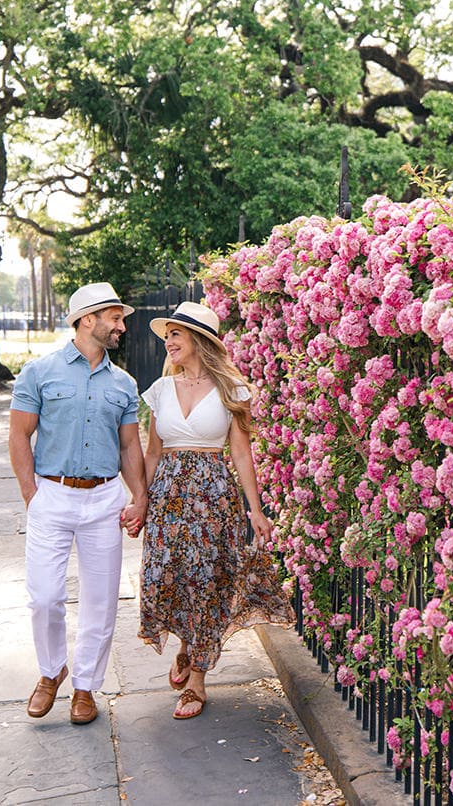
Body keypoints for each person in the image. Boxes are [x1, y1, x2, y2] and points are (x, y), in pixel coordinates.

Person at [125, 300, 291, 720]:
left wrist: (256, 510)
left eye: (175, 334)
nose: (168, 342)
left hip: (214, 496)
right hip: (168, 497)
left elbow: (241, 452)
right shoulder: (160, 390)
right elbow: (153, 450)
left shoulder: (232, 390)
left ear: (198, 340)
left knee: (206, 580)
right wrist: (140, 499)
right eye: (167, 336)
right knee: (168, 576)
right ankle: (185, 646)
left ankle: (197, 679)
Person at [9, 282, 147, 725]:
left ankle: (85, 686)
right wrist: (32, 493)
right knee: (45, 597)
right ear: (88, 319)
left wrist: (139, 495)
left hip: (104, 498)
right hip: (51, 494)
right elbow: (19, 435)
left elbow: (130, 447)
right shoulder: (39, 372)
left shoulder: (124, 383)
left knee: (101, 600)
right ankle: (52, 672)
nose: (122, 326)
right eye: (115, 318)